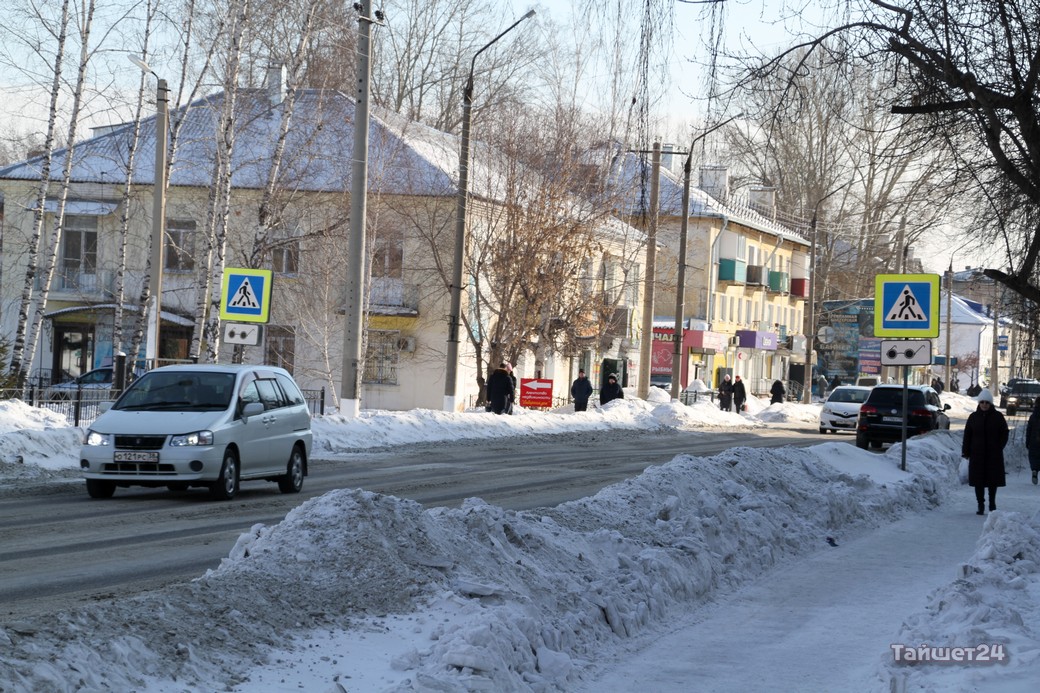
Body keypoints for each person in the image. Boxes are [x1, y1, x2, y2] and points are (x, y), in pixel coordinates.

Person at [962, 389, 1009, 514]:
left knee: (992, 480)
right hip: (977, 454)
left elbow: (1004, 433)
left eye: (987, 402)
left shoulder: (998, 417)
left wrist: (999, 446)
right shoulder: (973, 417)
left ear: (991, 404)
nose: (984, 405)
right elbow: (967, 435)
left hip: (993, 455)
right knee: (978, 481)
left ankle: (992, 503)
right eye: (982, 402)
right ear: (979, 403)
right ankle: (980, 504)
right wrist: (965, 452)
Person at [1026, 406, 1040, 485]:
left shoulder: (1033, 416)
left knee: (1034, 457)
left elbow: (1029, 430)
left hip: (1034, 441)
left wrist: (1027, 442)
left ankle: (1034, 470)